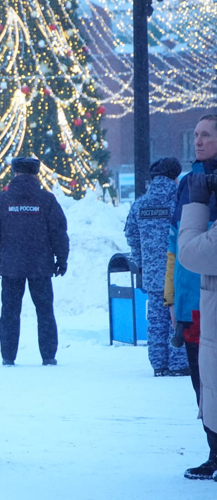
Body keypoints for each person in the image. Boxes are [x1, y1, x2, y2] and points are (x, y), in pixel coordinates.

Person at [0, 157, 69, 366]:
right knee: (45, 311)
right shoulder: (47, 201)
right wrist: (61, 259)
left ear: (15, 172)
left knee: (10, 312)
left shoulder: (2, 201)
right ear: (37, 173)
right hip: (41, 266)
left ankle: (8, 356)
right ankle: (48, 356)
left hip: (11, 267)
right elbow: (59, 232)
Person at [172, 114, 217, 480]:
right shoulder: (190, 183)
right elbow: (177, 239)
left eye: (206, 135)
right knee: (203, 377)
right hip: (195, 293)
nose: (198, 141)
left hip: (204, 285)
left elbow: (190, 244)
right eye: (196, 135)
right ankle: (213, 450)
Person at [124, 158, 188, 376]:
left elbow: (131, 235)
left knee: (156, 319)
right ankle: (179, 363)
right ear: (175, 177)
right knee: (177, 316)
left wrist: (142, 262)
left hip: (152, 273)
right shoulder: (180, 202)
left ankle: (158, 364)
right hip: (178, 271)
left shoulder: (140, 204)